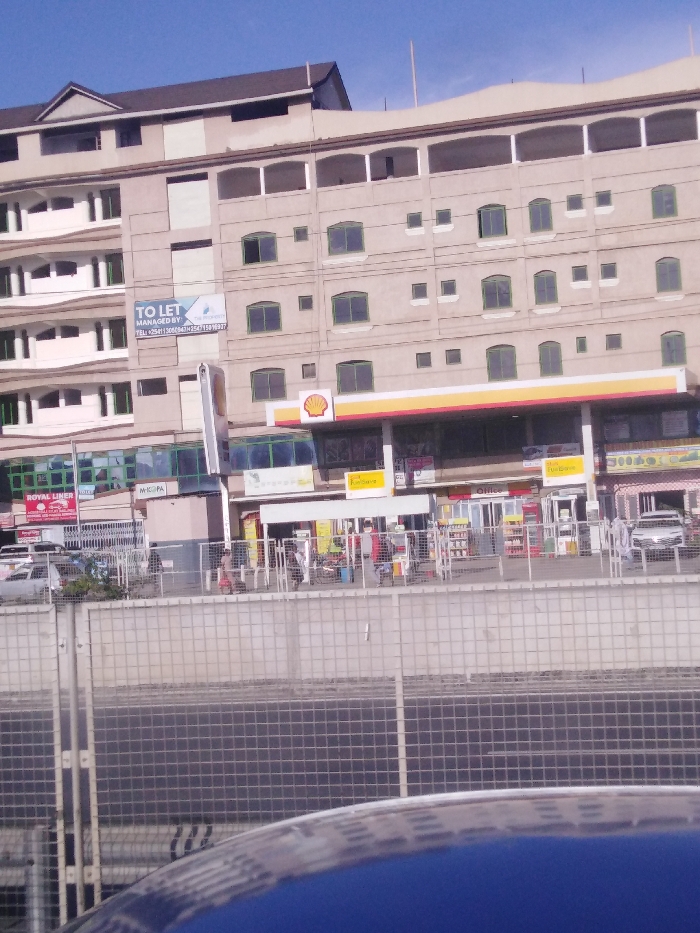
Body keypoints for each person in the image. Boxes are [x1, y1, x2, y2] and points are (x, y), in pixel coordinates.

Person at [361, 521, 380, 586]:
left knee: (371, 570)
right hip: (374, 554)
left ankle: (379, 581)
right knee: (376, 569)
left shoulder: (364, 535)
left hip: (371, 555)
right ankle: (378, 582)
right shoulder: (375, 535)